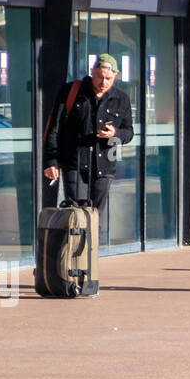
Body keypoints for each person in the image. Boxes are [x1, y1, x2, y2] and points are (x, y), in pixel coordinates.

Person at [43, 53, 134, 244]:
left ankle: (90, 259)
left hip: (105, 165)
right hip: (75, 163)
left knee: (95, 216)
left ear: (115, 76)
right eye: (100, 77)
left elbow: (129, 133)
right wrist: (51, 161)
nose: (103, 82)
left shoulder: (121, 99)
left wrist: (115, 133)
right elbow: (54, 128)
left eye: (108, 78)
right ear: (92, 72)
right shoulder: (72, 92)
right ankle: (73, 258)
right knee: (77, 213)